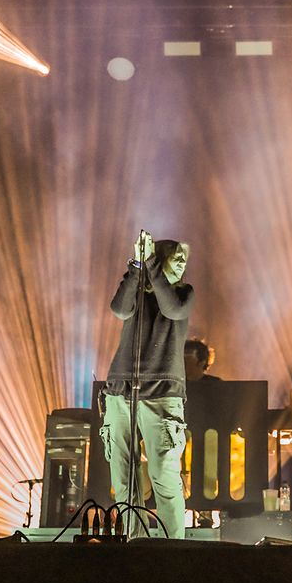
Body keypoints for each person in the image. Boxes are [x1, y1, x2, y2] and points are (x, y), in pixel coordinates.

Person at [103, 231, 192, 539]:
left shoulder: (184, 293)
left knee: (164, 474)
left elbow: (173, 310)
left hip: (162, 394)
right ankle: (132, 543)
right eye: (177, 256)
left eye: (184, 260)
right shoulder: (137, 287)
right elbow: (120, 309)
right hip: (120, 390)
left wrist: (152, 265)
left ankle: (171, 549)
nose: (182, 263)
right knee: (124, 476)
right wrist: (138, 267)